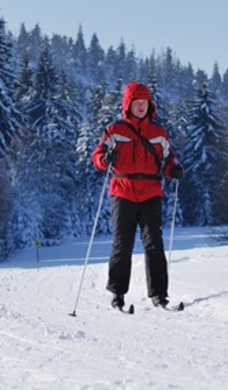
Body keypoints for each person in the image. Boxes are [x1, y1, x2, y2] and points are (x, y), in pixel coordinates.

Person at [92, 81, 183, 310]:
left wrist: (173, 170)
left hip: (151, 192)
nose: (141, 106)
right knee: (123, 244)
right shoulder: (115, 130)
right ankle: (117, 295)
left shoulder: (158, 133)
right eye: (137, 102)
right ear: (128, 104)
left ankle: (159, 295)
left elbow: (168, 159)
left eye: (145, 102)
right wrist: (104, 160)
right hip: (122, 192)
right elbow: (97, 156)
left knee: (154, 243)